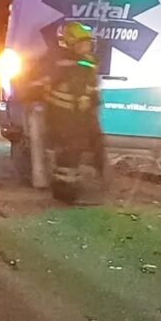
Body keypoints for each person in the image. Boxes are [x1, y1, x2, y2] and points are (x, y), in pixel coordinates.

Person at [34, 21, 105, 200]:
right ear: (72, 43)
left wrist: (91, 105)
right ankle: (64, 191)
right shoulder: (62, 63)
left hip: (80, 118)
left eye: (88, 43)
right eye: (83, 43)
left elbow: (91, 90)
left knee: (78, 152)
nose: (87, 46)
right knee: (67, 155)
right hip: (62, 118)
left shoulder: (87, 63)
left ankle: (71, 187)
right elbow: (46, 86)